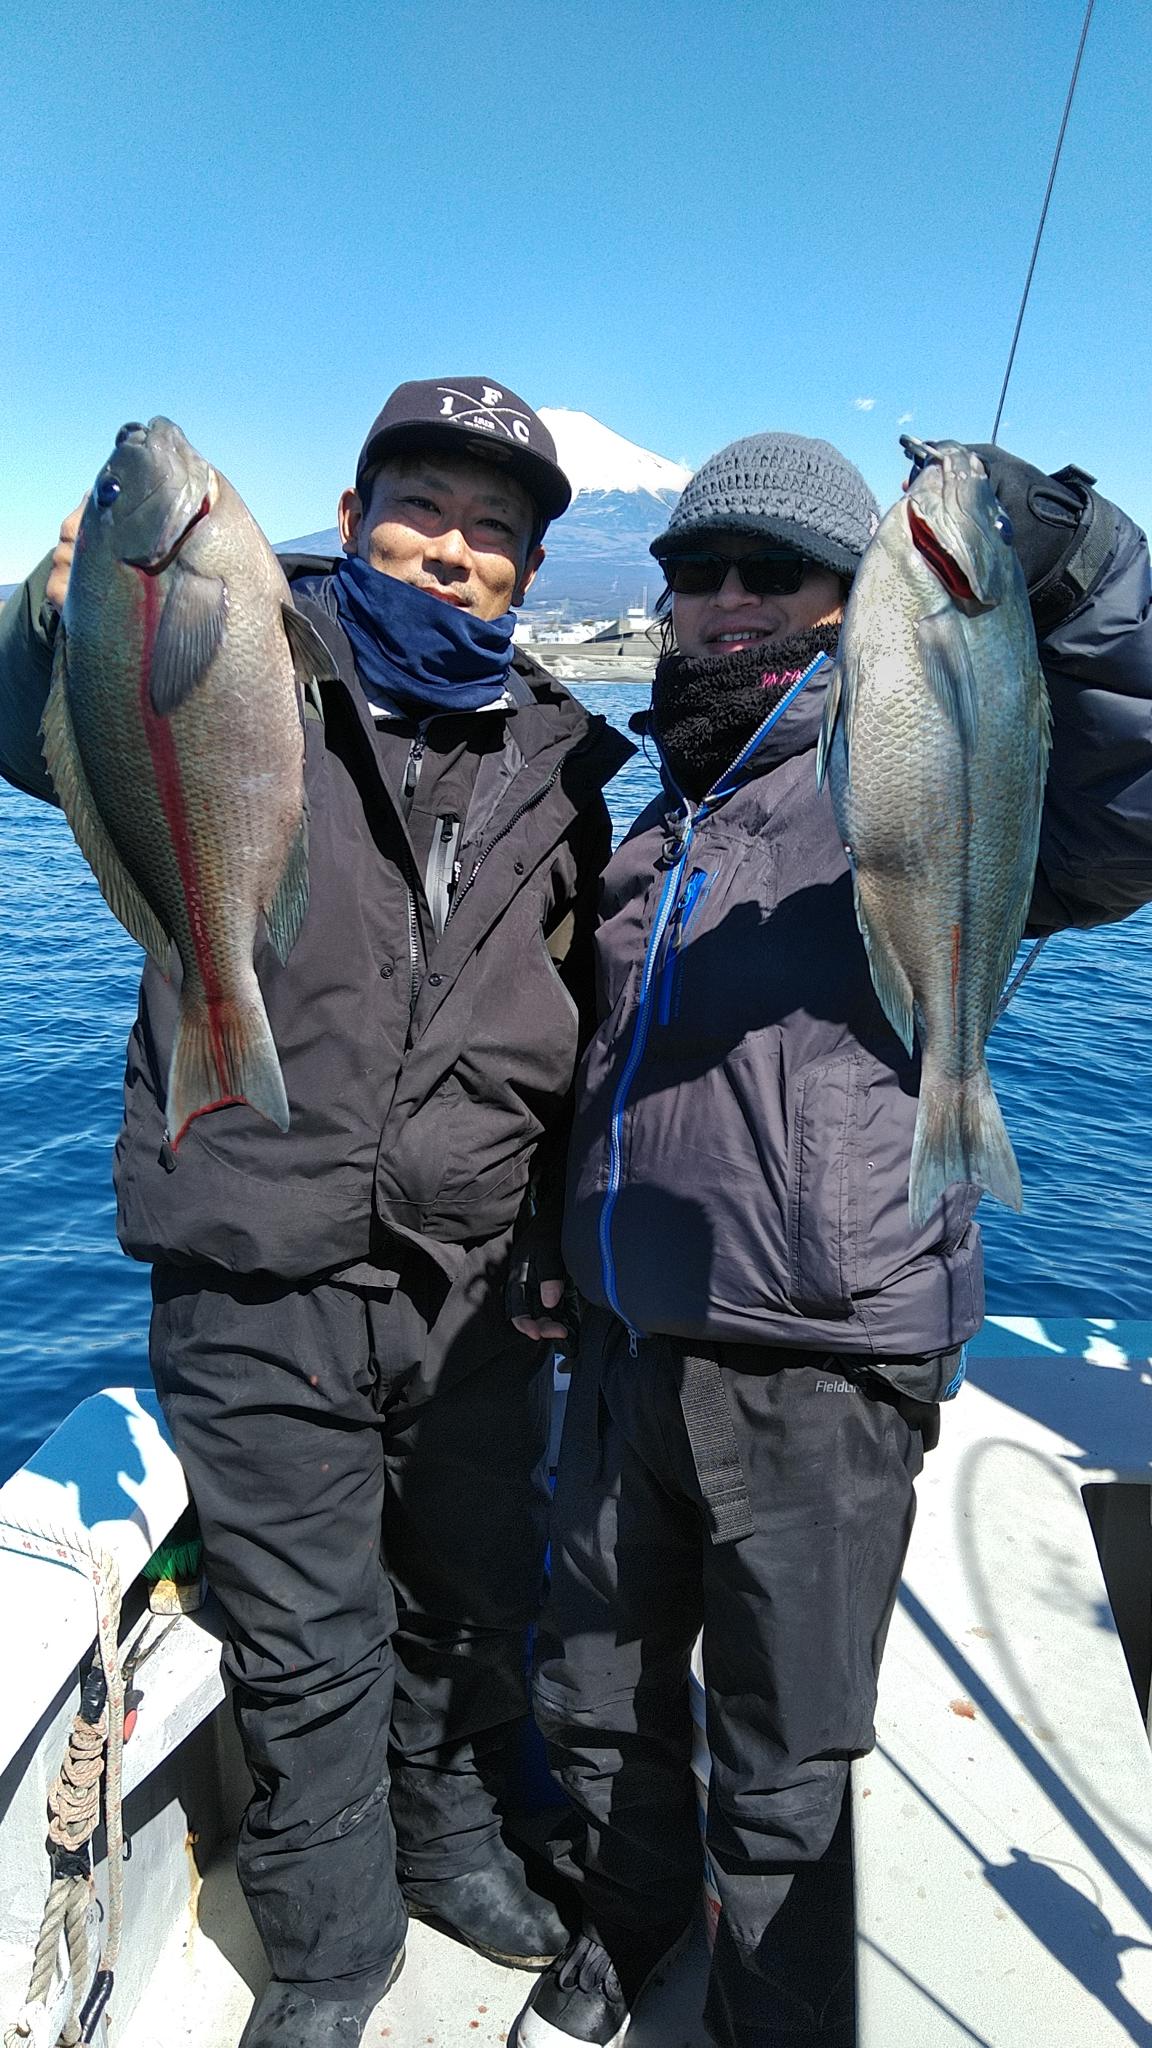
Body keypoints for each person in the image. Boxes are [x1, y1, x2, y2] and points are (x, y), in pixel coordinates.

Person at [0, 377, 632, 2047]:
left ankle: (449, 1844)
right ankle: (336, 1944)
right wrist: (45, 618)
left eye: (495, 532)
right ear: (348, 523)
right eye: (421, 509)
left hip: (473, 1285)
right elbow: (32, 726)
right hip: (250, 1260)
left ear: (526, 570)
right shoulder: (235, 647)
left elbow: (576, 1023)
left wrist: (556, 1244)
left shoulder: (568, 763)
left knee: (465, 1596)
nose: (454, 550)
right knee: (304, 1633)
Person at [516, 431, 1152, 2047]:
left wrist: (1078, 554)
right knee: (595, 1694)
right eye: (697, 570)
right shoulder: (652, 821)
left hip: (817, 1361)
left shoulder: (906, 756)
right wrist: (554, 1250)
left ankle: (768, 2014)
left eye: (776, 571)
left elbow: (1128, 798)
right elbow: (597, 1075)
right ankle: (628, 1927)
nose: (727, 598)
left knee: (786, 1754)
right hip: (626, 1349)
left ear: (852, 595)